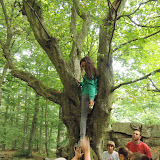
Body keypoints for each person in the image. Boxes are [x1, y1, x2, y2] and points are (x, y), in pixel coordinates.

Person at [76, 57, 99, 137]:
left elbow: (91, 86)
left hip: (87, 95)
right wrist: (81, 83)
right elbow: (88, 84)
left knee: (83, 116)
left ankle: (82, 136)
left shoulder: (89, 74)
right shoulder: (94, 72)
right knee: (87, 115)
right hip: (93, 94)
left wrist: (91, 99)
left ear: (89, 64)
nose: (84, 68)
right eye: (82, 66)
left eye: (85, 66)